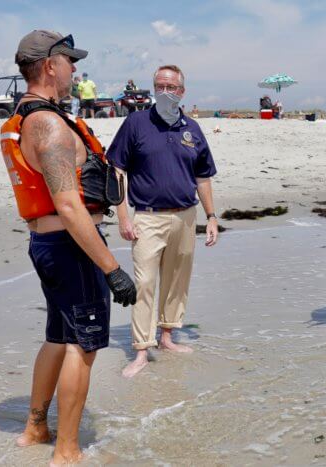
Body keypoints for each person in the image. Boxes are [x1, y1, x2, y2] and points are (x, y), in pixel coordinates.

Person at [1, 30, 136, 465]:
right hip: (70, 245)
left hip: (49, 243)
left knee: (58, 337)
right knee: (85, 343)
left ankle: (36, 428)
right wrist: (112, 268)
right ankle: (67, 451)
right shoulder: (48, 124)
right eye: (69, 62)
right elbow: (68, 203)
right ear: (48, 66)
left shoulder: (32, 117)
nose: (75, 71)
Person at [107, 64, 219, 378]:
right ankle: (142, 349)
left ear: (182, 91)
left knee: (177, 280)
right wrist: (122, 216)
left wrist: (211, 217)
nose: (165, 92)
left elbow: (203, 176)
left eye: (172, 87)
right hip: (147, 218)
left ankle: (167, 336)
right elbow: (117, 170)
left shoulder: (192, 129)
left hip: (185, 216)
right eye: (160, 86)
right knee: (144, 283)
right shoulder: (136, 123)